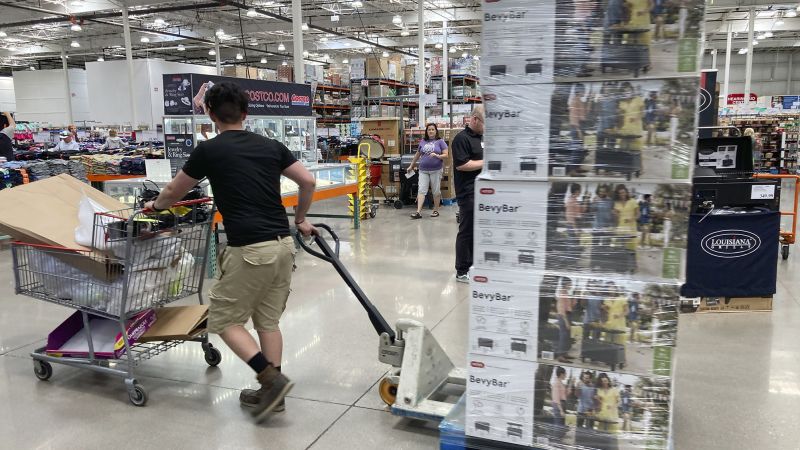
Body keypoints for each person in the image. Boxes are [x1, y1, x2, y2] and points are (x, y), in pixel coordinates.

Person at [143, 81, 318, 423]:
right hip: (283, 245)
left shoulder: (209, 150)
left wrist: (156, 206)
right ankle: (272, 395)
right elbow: (308, 181)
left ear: (210, 114)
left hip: (249, 249)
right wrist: (300, 219)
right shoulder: (271, 145)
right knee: (268, 320)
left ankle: (271, 379)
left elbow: (174, 191)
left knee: (223, 320)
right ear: (246, 113)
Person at [452, 105, 484, 283]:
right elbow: (462, 165)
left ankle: (475, 264)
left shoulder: (483, 138)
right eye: (485, 124)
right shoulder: (461, 139)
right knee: (467, 231)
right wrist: (487, 162)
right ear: (475, 119)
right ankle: (462, 270)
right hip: (468, 192)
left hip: (485, 192)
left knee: (479, 230)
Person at [407, 123, 448, 219]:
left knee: (436, 191)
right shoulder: (423, 141)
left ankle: (436, 210)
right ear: (426, 131)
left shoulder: (440, 141)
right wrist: (411, 165)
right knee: (421, 190)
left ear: (436, 131)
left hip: (436, 170)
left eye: (433, 129)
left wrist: (437, 155)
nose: (431, 131)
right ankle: (418, 212)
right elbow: (417, 154)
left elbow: (446, 155)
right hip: (423, 170)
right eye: (429, 129)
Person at [613, 184, 639, 251]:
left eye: (623, 192)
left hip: (631, 228)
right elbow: (616, 214)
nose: (622, 194)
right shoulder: (617, 203)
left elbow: (638, 214)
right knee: (620, 248)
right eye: (620, 193)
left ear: (626, 192)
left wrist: (632, 219)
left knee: (630, 249)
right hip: (621, 227)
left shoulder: (632, 201)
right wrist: (615, 213)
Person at [555, 277, 575, 363]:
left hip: (567, 315)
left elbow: (570, 307)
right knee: (563, 336)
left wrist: (575, 298)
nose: (571, 285)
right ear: (566, 284)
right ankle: (560, 356)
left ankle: (564, 353)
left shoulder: (566, 293)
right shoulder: (562, 293)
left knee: (567, 336)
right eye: (570, 284)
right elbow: (561, 309)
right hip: (564, 316)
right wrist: (566, 321)